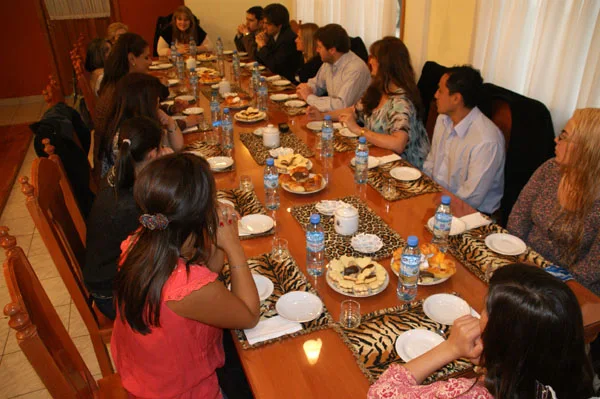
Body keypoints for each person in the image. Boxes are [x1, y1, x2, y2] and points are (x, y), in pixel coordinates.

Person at [111, 152, 260, 398]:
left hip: (144, 375)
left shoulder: (142, 240)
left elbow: (209, 271)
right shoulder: (186, 287)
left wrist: (214, 231)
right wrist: (234, 248)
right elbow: (250, 315)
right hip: (182, 390)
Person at [368, 263, 595, 399]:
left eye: (486, 310)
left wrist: (450, 347)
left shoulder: (471, 393)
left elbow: (381, 392)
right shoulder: (568, 380)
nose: (479, 313)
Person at [85, 116, 172, 320]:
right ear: (152, 155)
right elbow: (166, 228)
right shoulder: (131, 205)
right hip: (114, 294)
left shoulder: (121, 173)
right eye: (161, 148)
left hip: (114, 274)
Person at [508, 108, 600, 295]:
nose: (556, 140)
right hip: (525, 265)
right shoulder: (550, 169)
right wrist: (515, 257)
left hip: (571, 289)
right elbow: (518, 218)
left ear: (586, 148)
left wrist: (546, 279)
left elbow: (592, 268)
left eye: (564, 136)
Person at [334, 37, 430, 169]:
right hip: (380, 159)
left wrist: (359, 130)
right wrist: (321, 115)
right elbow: (353, 111)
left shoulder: (401, 101)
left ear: (387, 64)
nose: (370, 61)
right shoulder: (378, 89)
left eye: (374, 57)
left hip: (405, 170)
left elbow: (398, 143)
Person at [422, 66, 505, 214]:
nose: (435, 95)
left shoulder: (486, 140)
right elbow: (431, 162)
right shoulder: (442, 120)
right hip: (438, 200)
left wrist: (437, 206)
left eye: (440, 91)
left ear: (456, 98)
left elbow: (471, 198)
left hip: (471, 213)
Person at [100, 73, 186, 178]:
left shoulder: (139, 125)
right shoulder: (129, 135)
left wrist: (170, 122)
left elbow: (178, 147)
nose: (158, 102)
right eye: (155, 99)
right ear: (145, 104)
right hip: (130, 191)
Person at [94, 32, 152, 178]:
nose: (150, 62)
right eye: (146, 57)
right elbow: (144, 135)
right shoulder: (124, 91)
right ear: (132, 59)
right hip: (119, 173)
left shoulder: (115, 82)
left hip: (109, 163)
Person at [296, 24, 371, 112]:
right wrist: (305, 89)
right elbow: (317, 84)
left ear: (332, 50)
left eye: (320, 47)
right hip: (334, 116)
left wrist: (309, 97)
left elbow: (341, 105)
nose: (317, 50)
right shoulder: (329, 62)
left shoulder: (355, 69)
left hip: (353, 121)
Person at [255, 3, 303, 82]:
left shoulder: (288, 39)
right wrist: (260, 46)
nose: (264, 27)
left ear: (279, 25)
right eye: (263, 23)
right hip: (276, 78)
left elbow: (275, 67)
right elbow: (259, 62)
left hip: (289, 82)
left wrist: (263, 46)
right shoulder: (272, 35)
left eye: (268, 24)